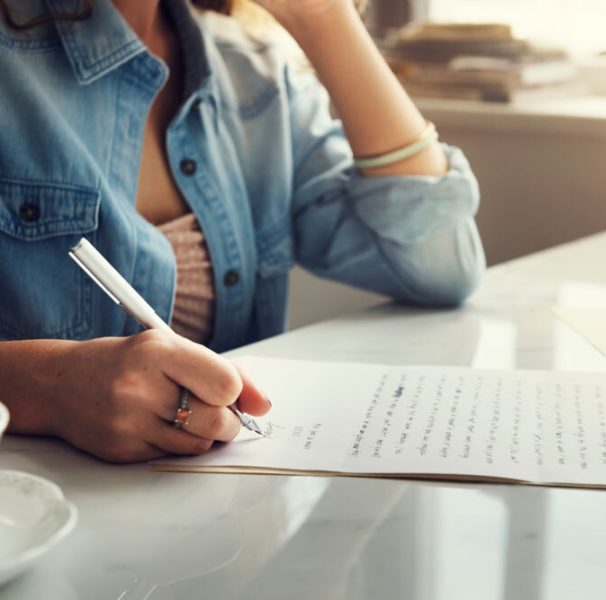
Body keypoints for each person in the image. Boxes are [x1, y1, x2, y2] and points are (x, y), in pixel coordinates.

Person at [0, 0, 485, 462]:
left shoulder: (255, 74)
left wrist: (324, 16)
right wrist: (49, 386)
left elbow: (441, 266)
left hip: (231, 520)